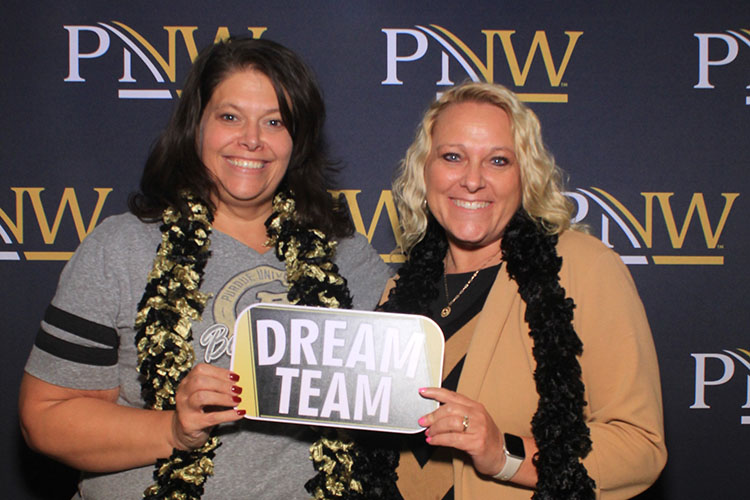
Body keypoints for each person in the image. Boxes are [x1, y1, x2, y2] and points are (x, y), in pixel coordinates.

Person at [18, 37, 392, 500]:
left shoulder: (350, 258)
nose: (251, 139)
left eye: (274, 121)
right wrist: (173, 430)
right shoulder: (121, 248)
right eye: (229, 117)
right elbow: (47, 418)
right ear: (197, 126)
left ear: (298, 141)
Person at [376, 81, 667, 499]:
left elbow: (640, 448)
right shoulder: (399, 293)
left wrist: (504, 454)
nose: (472, 180)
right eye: (453, 156)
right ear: (425, 170)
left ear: (524, 176)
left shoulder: (582, 268)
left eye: (497, 160)